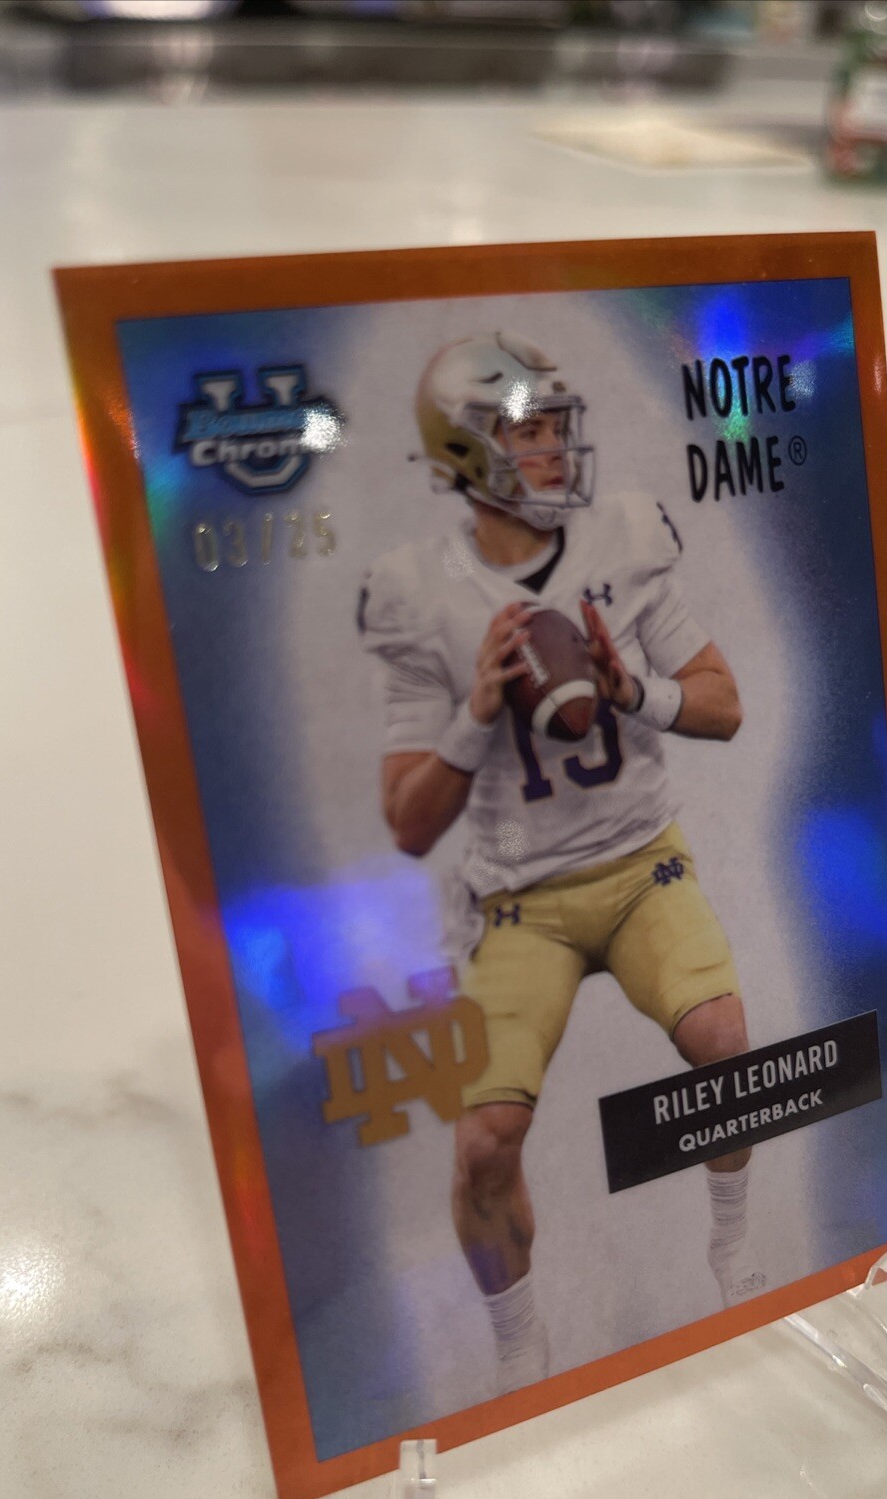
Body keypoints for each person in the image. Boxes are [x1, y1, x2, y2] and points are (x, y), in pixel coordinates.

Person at [358, 331, 765, 1394]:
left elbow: (723, 703)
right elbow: (407, 823)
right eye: (524, 431)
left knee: (726, 1046)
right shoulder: (418, 594)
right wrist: (473, 714)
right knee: (482, 1144)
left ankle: (732, 1246)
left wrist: (634, 691)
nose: (550, 449)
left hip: (640, 864)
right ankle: (518, 1342)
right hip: (518, 902)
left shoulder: (621, 539)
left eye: (553, 426)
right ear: (465, 453)